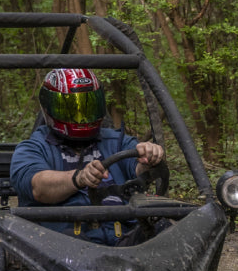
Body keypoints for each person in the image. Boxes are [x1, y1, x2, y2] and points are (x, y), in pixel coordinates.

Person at [9, 68, 166, 245]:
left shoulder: (117, 142)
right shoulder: (32, 149)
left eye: (88, 107)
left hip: (123, 238)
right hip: (62, 243)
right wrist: (80, 177)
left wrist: (148, 158)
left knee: (165, 228)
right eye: (70, 109)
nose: (82, 117)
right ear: (48, 108)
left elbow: (137, 168)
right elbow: (38, 187)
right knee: (72, 242)